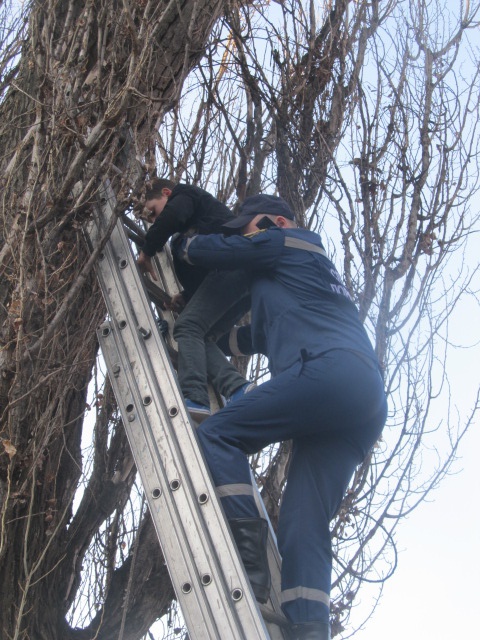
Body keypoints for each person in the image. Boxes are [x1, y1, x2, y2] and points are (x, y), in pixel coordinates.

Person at [177, 194, 388, 640]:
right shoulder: (302, 279)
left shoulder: (286, 240)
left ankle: (249, 564)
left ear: (273, 221)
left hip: (327, 371)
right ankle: (309, 629)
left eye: (248, 228)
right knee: (303, 517)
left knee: (217, 434)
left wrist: (182, 244)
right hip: (360, 400)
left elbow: (222, 251)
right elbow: (253, 336)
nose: (247, 238)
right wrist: (200, 340)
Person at [136, 179, 253, 422]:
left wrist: (147, 251)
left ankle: (195, 397)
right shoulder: (198, 224)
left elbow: (173, 215)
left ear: (167, 194)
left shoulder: (185, 195)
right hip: (238, 281)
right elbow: (207, 277)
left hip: (232, 269)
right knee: (202, 336)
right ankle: (238, 390)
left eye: (155, 212)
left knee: (187, 326)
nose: (156, 222)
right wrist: (188, 296)